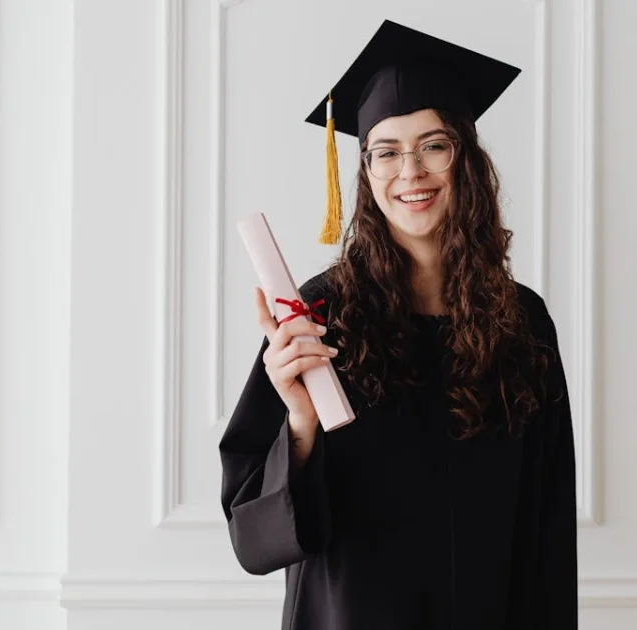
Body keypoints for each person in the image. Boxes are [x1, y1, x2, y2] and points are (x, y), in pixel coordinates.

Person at [218, 19, 577, 629]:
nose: (409, 171)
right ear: (366, 172)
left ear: (466, 160)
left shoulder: (522, 321)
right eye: (386, 152)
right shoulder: (319, 316)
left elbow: (546, 524)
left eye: (433, 145)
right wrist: (300, 422)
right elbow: (254, 541)